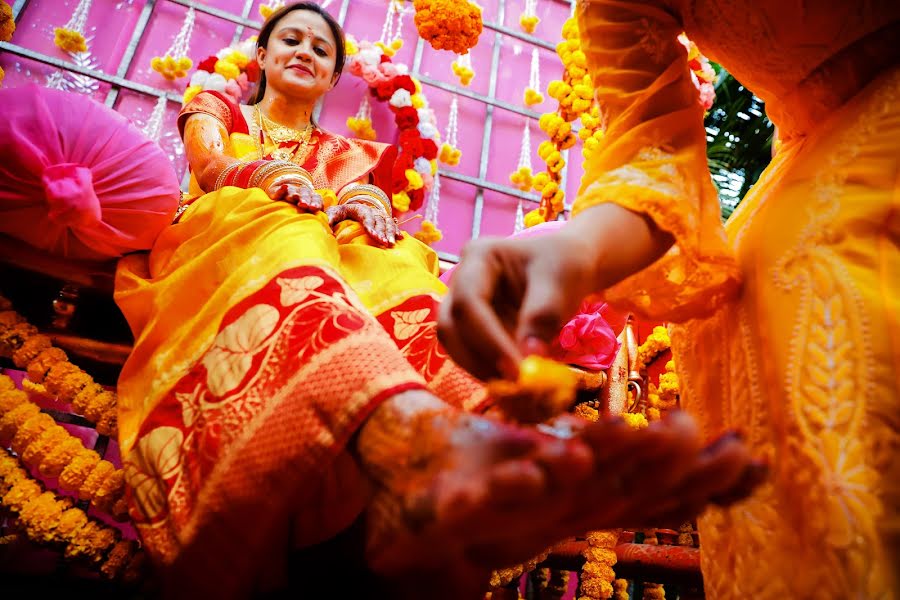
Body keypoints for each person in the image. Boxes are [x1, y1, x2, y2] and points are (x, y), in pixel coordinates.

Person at [113, 3, 763, 598]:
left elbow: (365, 198)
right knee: (284, 228)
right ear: (262, 58)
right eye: (291, 40)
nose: (305, 52)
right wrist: (265, 174)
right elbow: (207, 163)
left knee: (396, 260)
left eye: (319, 46)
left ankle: (471, 435)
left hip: (338, 245)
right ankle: (419, 440)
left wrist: (365, 204)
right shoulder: (223, 109)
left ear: (330, 74)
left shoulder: (349, 150)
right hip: (231, 231)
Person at [439, 1, 900, 597]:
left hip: (848, 193)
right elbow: (650, 149)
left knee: (815, 265)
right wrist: (574, 251)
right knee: (762, 290)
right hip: (804, 187)